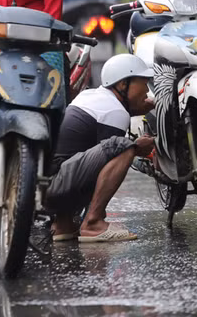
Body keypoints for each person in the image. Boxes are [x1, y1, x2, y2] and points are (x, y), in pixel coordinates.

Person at [46, 54, 155, 242]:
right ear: (123, 84)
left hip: (47, 186)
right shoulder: (115, 111)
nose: (147, 91)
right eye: (143, 83)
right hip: (58, 185)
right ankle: (93, 223)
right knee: (123, 147)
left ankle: (63, 224)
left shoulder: (92, 97)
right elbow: (107, 161)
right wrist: (136, 148)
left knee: (97, 149)